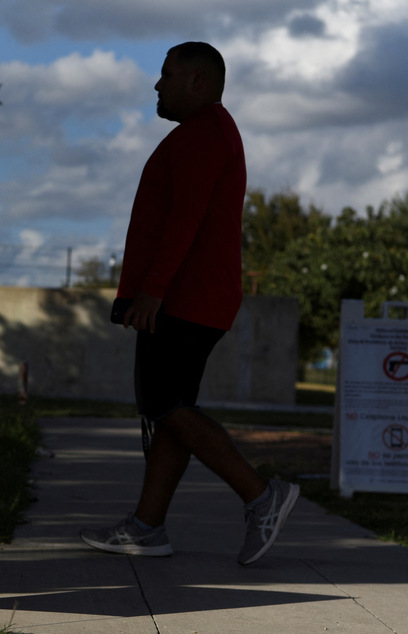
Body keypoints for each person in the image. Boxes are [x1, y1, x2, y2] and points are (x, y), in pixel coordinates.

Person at [79, 42, 299, 566]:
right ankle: (147, 527)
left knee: (165, 404)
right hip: (189, 295)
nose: (157, 85)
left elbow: (186, 220)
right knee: (172, 409)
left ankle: (261, 496)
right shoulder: (204, 134)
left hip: (184, 297)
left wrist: (152, 291)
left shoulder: (203, 134)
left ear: (198, 82)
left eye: (166, 74)